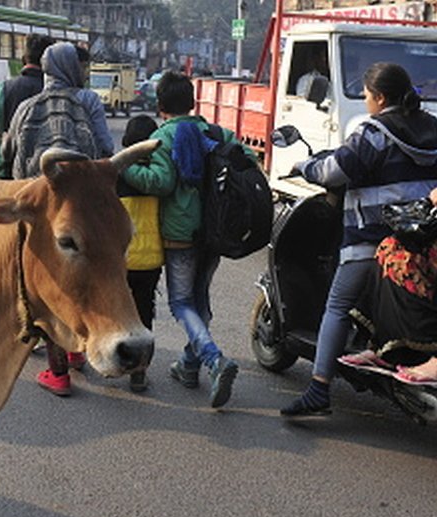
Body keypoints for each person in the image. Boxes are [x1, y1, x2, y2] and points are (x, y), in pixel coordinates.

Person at [281, 62, 437, 416]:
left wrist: (305, 166)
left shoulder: (374, 131)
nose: (366, 102)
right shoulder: (430, 127)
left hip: (372, 238)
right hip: (421, 239)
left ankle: (319, 388)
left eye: (366, 95)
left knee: (336, 306)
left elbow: (336, 169)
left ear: (379, 97)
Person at [121, 71, 250, 409]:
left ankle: (213, 359)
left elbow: (161, 182)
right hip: (217, 230)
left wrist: (123, 169)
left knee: (181, 303)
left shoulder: (164, 136)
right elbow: (246, 162)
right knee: (200, 299)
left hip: (181, 233)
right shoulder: (215, 131)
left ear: (160, 105)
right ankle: (188, 366)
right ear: (193, 102)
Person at [1, 41, 115, 396]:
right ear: (71, 69)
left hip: (41, 209)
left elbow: (7, 151)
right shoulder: (85, 103)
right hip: (81, 210)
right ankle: (80, 345)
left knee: (50, 286)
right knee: (83, 277)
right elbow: (105, 150)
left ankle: (59, 374)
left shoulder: (25, 106)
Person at [117, 114, 163, 392]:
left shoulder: (117, 175)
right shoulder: (158, 177)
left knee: (119, 314)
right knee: (144, 315)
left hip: (122, 259)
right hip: (151, 259)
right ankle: (140, 372)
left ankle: (117, 361)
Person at [0, 33, 54, 178]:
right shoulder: (56, 93)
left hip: (4, 179)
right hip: (43, 183)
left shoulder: (2, 90)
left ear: (24, 58)